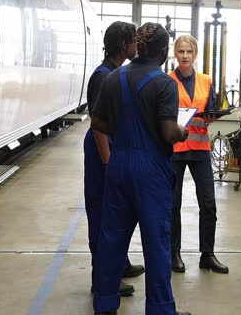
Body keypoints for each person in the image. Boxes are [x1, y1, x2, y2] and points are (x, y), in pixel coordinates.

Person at [90, 23, 192, 315]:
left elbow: (98, 124)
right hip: (150, 170)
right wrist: (183, 132)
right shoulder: (164, 83)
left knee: (112, 239)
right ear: (162, 51)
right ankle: (160, 309)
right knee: (156, 242)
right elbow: (169, 132)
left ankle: (105, 304)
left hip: (119, 163)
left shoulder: (112, 79)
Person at [83, 21, 145, 298]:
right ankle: (103, 281)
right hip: (101, 151)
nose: (137, 46)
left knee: (115, 213)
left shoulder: (114, 71)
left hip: (111, 146)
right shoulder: (103, 76)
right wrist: (108, 162)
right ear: (124, 45)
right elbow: (98, 126)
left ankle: (119, 265)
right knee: (102, 216)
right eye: (134, 41)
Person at [168, 35, 229, 274]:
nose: (185, 56)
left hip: (200, 148)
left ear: (195, 55)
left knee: (208, 203)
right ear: (176, 53)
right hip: (175, 149)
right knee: (173, 204)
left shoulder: (206, 80)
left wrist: (212, 118)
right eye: (181, 51)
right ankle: (174, 253)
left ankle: (208, 254)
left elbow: (209, 109)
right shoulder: (167, 81)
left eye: (189, 52)